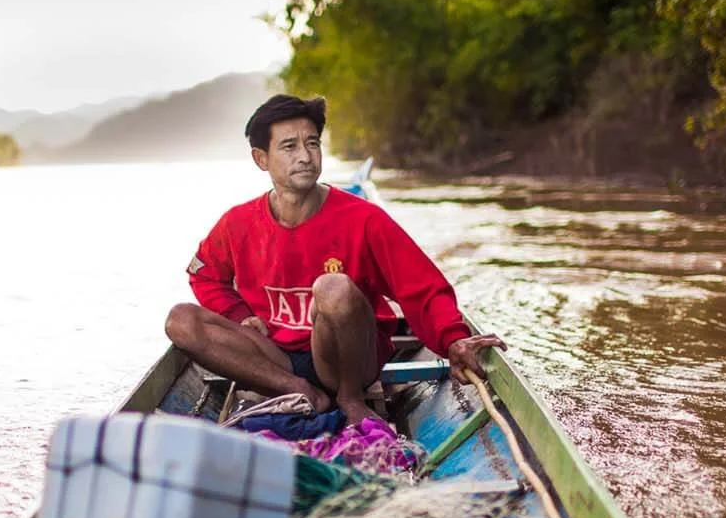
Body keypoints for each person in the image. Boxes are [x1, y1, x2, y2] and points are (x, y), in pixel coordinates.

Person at [164, 94, 505, 427]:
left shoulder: (363, 219)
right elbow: (205, 275)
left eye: (312, 143)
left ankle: (349, 399)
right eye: (289, 146)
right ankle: (301, 392)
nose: (305, 156)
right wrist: (241, 316)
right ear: (261, 159)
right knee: (180, 320)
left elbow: (421, 287)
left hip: (346, 359)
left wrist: (452, 339)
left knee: (333, 288)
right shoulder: (238, 223)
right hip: (276, 357)